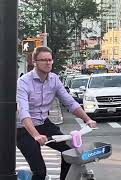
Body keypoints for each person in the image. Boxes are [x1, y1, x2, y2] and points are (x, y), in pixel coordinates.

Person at [16, 46, 97, 180]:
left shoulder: (54, 79)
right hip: (24, 129)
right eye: (43, 60)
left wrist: (87, 119)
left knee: (70, 153)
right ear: (34, 62)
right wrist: (36, 136)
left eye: (50, 60)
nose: (48, 63)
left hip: (44, 123)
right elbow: (23, 112)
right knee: (40, 172)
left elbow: (70, 102)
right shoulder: (24, 82)